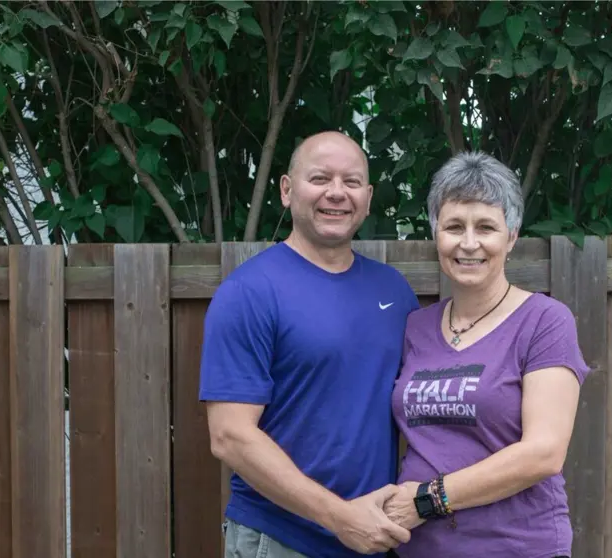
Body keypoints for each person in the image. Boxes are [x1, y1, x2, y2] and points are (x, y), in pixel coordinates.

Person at [200, 131, 420, 558]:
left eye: (352, 182)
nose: (336, 193)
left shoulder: (393, 290)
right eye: (320, 178)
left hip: (374, 536)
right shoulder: (250, 292)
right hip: (281, 538)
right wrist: (340, 518)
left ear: (369, 196)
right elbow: (230, 436)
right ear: (286, 190)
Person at [381, 151, 590, 557]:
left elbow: (543, 453)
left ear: (511, 237)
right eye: (454, 226)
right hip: (423, 549)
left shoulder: (545, 321)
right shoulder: (416, 327)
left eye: (486, 227)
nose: (469, 243)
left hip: (516, 546)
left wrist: (428, 499)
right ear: (435, 235)